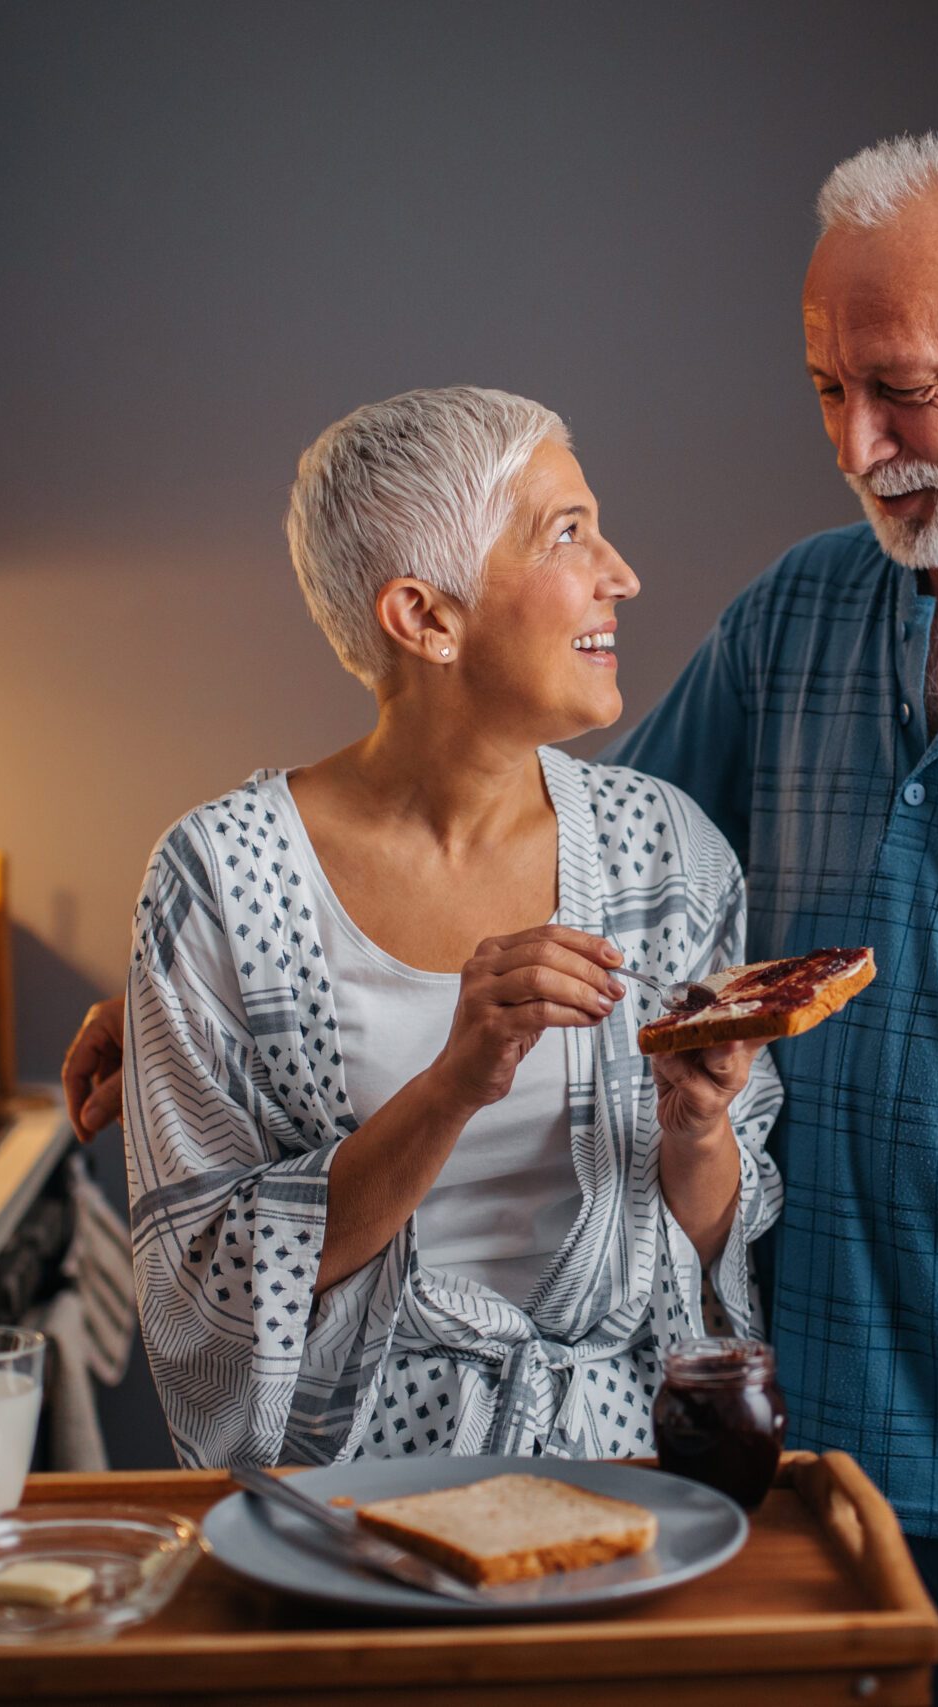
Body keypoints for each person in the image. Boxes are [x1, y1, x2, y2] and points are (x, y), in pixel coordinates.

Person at [74, 134, 938, 1707]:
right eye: (827, 389)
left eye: (901, 387)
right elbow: (544, 846)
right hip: (792, 1471)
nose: (859, 440)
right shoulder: (797, 619)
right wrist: (178, 987)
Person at [120, 385, 781, 1471]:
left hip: (630, 1478)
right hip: (340, 1497)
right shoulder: (217, 879)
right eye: (567, 534)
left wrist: (699, 1129)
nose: (621, 574)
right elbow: (201, 1290)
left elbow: (718, 1243)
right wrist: (452, 1082)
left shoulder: (665, 852)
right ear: (424, 617)